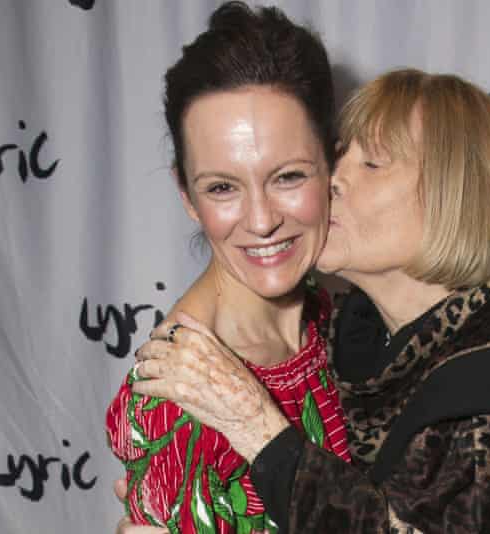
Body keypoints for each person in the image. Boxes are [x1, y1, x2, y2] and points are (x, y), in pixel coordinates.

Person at [130, 69, 490, 533]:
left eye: (371, 164)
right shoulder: (360, 339)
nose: (332, 181)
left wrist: (257, 428)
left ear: (457, 193)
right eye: (337, 157)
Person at [105, 3, 351, 533]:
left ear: (334, 167)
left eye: (287, 176)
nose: (262, 221)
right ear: (187, 195)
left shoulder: (343, 314)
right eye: (222, 187)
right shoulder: (177, 396)